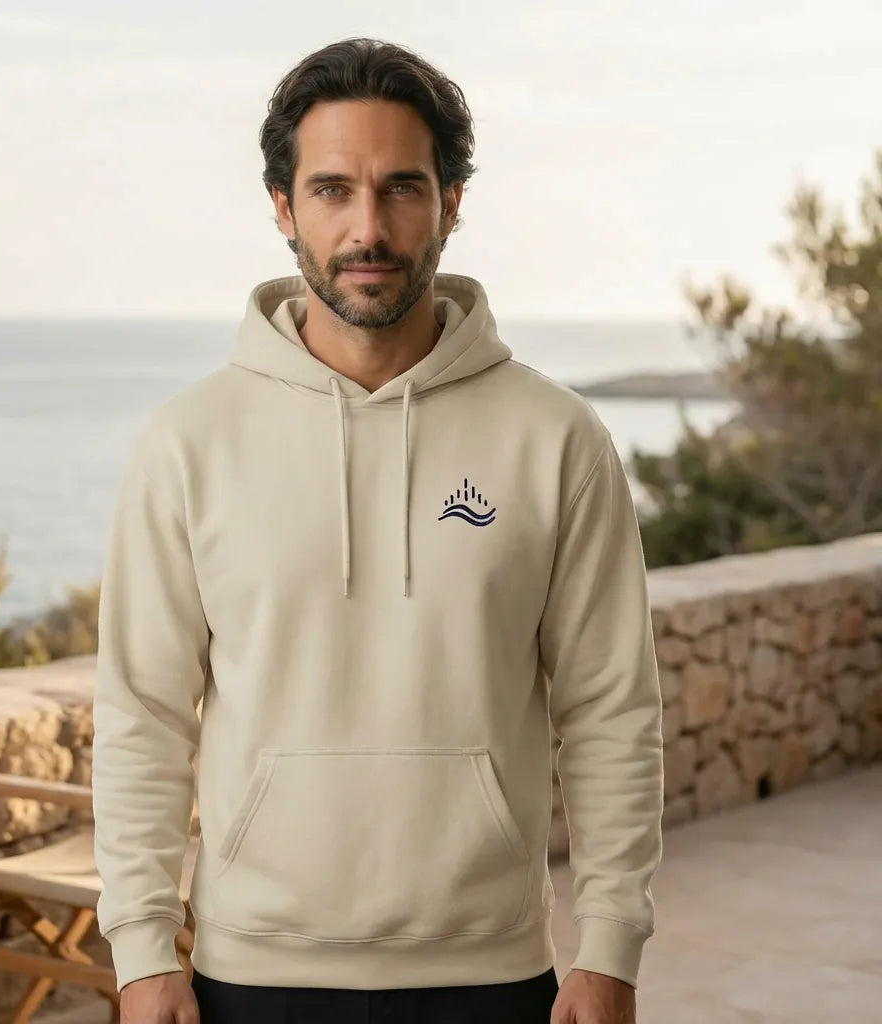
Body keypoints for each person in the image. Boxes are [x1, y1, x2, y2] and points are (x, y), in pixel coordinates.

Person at [92, 36, 664, 1024]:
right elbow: (142, 712)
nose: (368, 228)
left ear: (450, 203)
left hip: (491, 974)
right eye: (331, 190)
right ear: (283, 207)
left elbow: (611, 708)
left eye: (402, 187)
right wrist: (142, 954)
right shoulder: (189, 444)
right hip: (251, 974)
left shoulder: (556, 439)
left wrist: (610, 945)